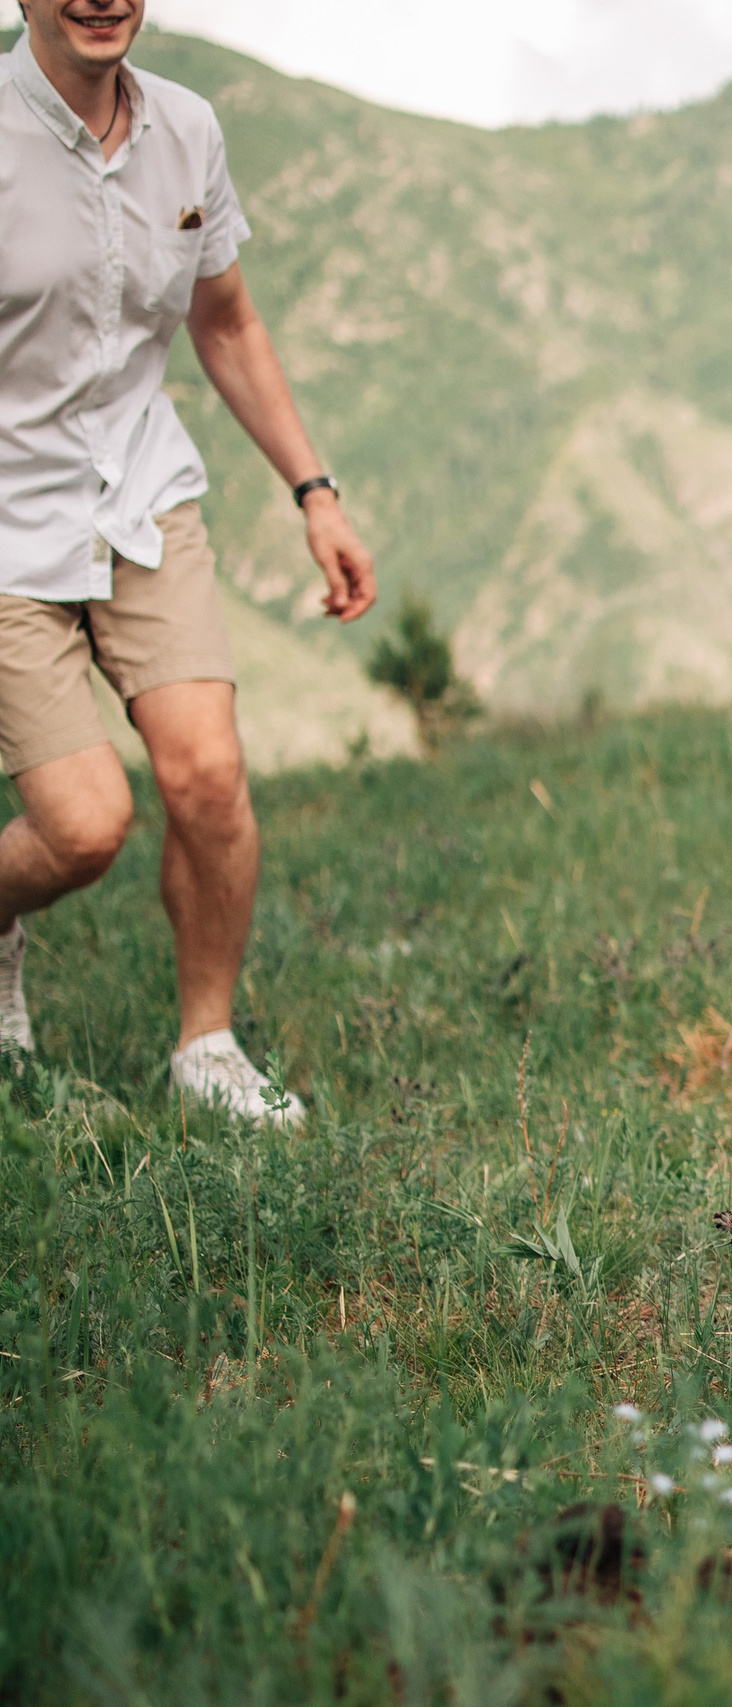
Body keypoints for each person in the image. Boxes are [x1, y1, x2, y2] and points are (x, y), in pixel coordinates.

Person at [0, 0, 376, 1124]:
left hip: (141, 497)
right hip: (6, 527)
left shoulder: (186, 130)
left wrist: (315, 493)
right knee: (83, 826)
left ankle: (205, 1051)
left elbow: (226, 324)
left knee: (209, 778)